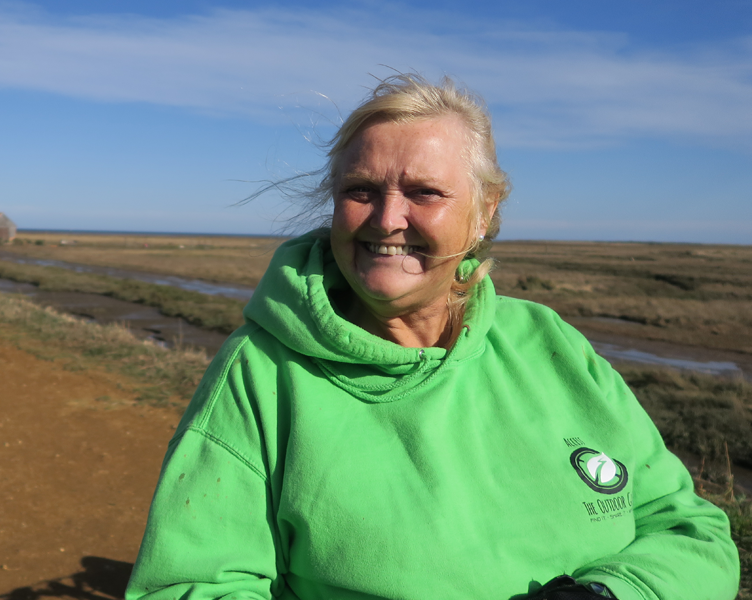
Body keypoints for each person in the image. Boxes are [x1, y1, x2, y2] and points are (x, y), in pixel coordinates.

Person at [125, 74, 739, 600]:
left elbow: (689, 530)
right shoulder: (262, 373)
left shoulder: (548, 343)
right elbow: (190, 584)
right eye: (360, 190)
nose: (388, 218)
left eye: (425, 193)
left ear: (485, 212)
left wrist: (607, 592)